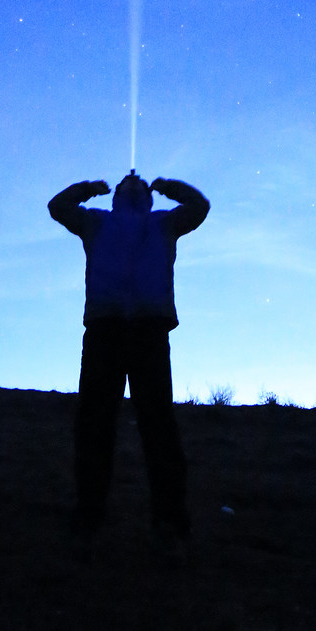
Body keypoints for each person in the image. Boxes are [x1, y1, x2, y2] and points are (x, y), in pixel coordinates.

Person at [48, 170, 210, 539]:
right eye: (127, 182)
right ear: (116, 195)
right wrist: (86, 188)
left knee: (156, 427)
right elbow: (58, 206)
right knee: (96, 426)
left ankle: (167, 523)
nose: (134, 179)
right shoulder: (97, 222)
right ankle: (91, 516)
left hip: (146, 331)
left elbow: (200, 207)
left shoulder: (164, 223)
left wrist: (170, 187)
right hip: (107, 330)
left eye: (137, 182)